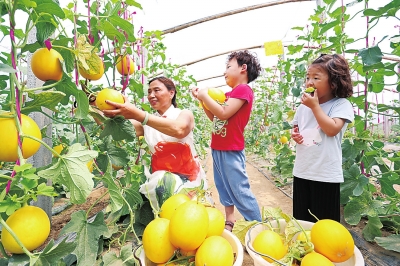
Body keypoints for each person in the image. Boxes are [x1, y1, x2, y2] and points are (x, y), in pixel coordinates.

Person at [102, 76, 207, 210]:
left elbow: (179, 129)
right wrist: (96, 107)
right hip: (161, 186)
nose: (151, 95)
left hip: (191, 181)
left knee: (193, 219)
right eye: (149, 92)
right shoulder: (146, 124)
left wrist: (140, 115)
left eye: (157, 90)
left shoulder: (183, 113)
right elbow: (114, 128)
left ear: (171, 93)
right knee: (169, 221)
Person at [191, 50, 263, 231]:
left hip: (231, 149)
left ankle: (258, 227)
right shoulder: (229, 95)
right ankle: (230, 219)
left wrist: (205, 95)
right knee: (223, 187)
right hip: (218, 147)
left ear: (243, 68)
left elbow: (223, 112)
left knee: (239, 189)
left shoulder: (243, 90)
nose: (225, 72)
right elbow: (217, 118)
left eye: (228, 67)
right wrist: (203, 101)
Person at [291, 54, 354, 223]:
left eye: (316, 78)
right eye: (308, 77)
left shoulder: (340, 105)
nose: (309, 82)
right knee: (301, 221)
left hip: (325, 175)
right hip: (302, 171)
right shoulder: (303, 107)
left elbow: (332, 129)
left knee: (325, 224)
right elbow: (297, 128)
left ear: (334, 82)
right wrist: (295, 134)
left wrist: (315, 107)